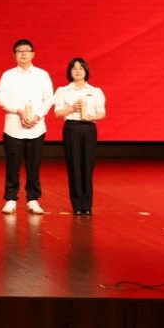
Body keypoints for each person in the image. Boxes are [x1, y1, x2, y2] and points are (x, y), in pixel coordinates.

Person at [0, 39, 54, 215]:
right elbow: (1, 99)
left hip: (36, 127)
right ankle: (11, 199)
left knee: (33, 166)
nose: (23, 53)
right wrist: (19, 111)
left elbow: (49, 98)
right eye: (19, 51)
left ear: (33, 54)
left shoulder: (42, 75)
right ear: (14, 55)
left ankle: (33, 199)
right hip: (13, 126)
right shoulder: (8, 75)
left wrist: (37, 115)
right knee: (12, 166)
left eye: (26, 50)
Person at [54, 57, 106, 215]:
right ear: (70, 72)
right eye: (74, 68)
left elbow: (102, 113)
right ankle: (77, 205)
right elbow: (58, 113)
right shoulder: (63, 91)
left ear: (86, 71)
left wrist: (91, 117)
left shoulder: (95, 91)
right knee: (74, 165)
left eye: (81, 68)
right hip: (72, 128)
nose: (77, 71)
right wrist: (71, 108)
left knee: (87, 166)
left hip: (88, 128)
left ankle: (87, 205)